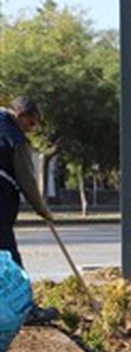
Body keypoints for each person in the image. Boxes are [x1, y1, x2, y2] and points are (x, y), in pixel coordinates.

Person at [0, 97, 59, 323]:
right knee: (10, 261)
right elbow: (28, 183)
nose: (32, 129)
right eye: (32, 123)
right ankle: (27, 310)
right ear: (20, 115)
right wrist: (43, 210)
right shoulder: (15, 140)